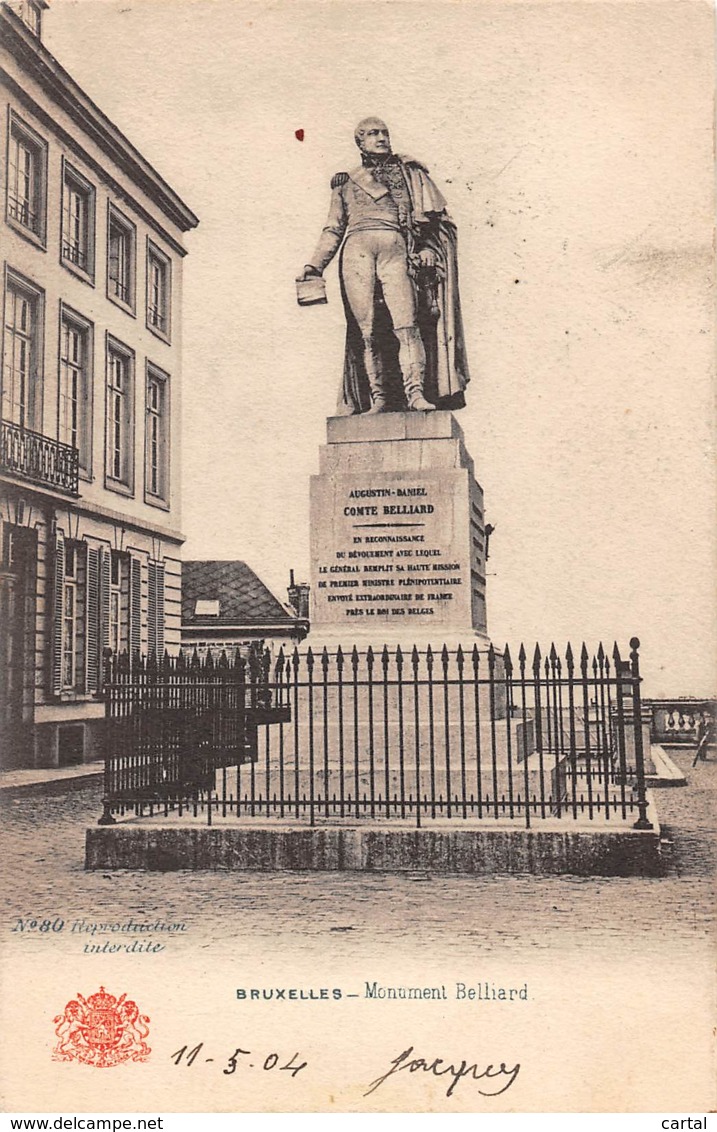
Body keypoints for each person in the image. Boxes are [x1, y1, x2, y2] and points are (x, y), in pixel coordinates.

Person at [298, 118, 470, 415]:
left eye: (384, 133)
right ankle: (378, 399)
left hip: (396, 249)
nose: (381, 138)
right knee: (367, 331)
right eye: (372, 134)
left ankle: (415, 393)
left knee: (406, 325)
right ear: (360, 142)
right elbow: (333, 229)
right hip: (356, 252)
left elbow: (433, 220)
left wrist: (428, 247)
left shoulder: (410, 173)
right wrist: (314, 265)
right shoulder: (345, 182)